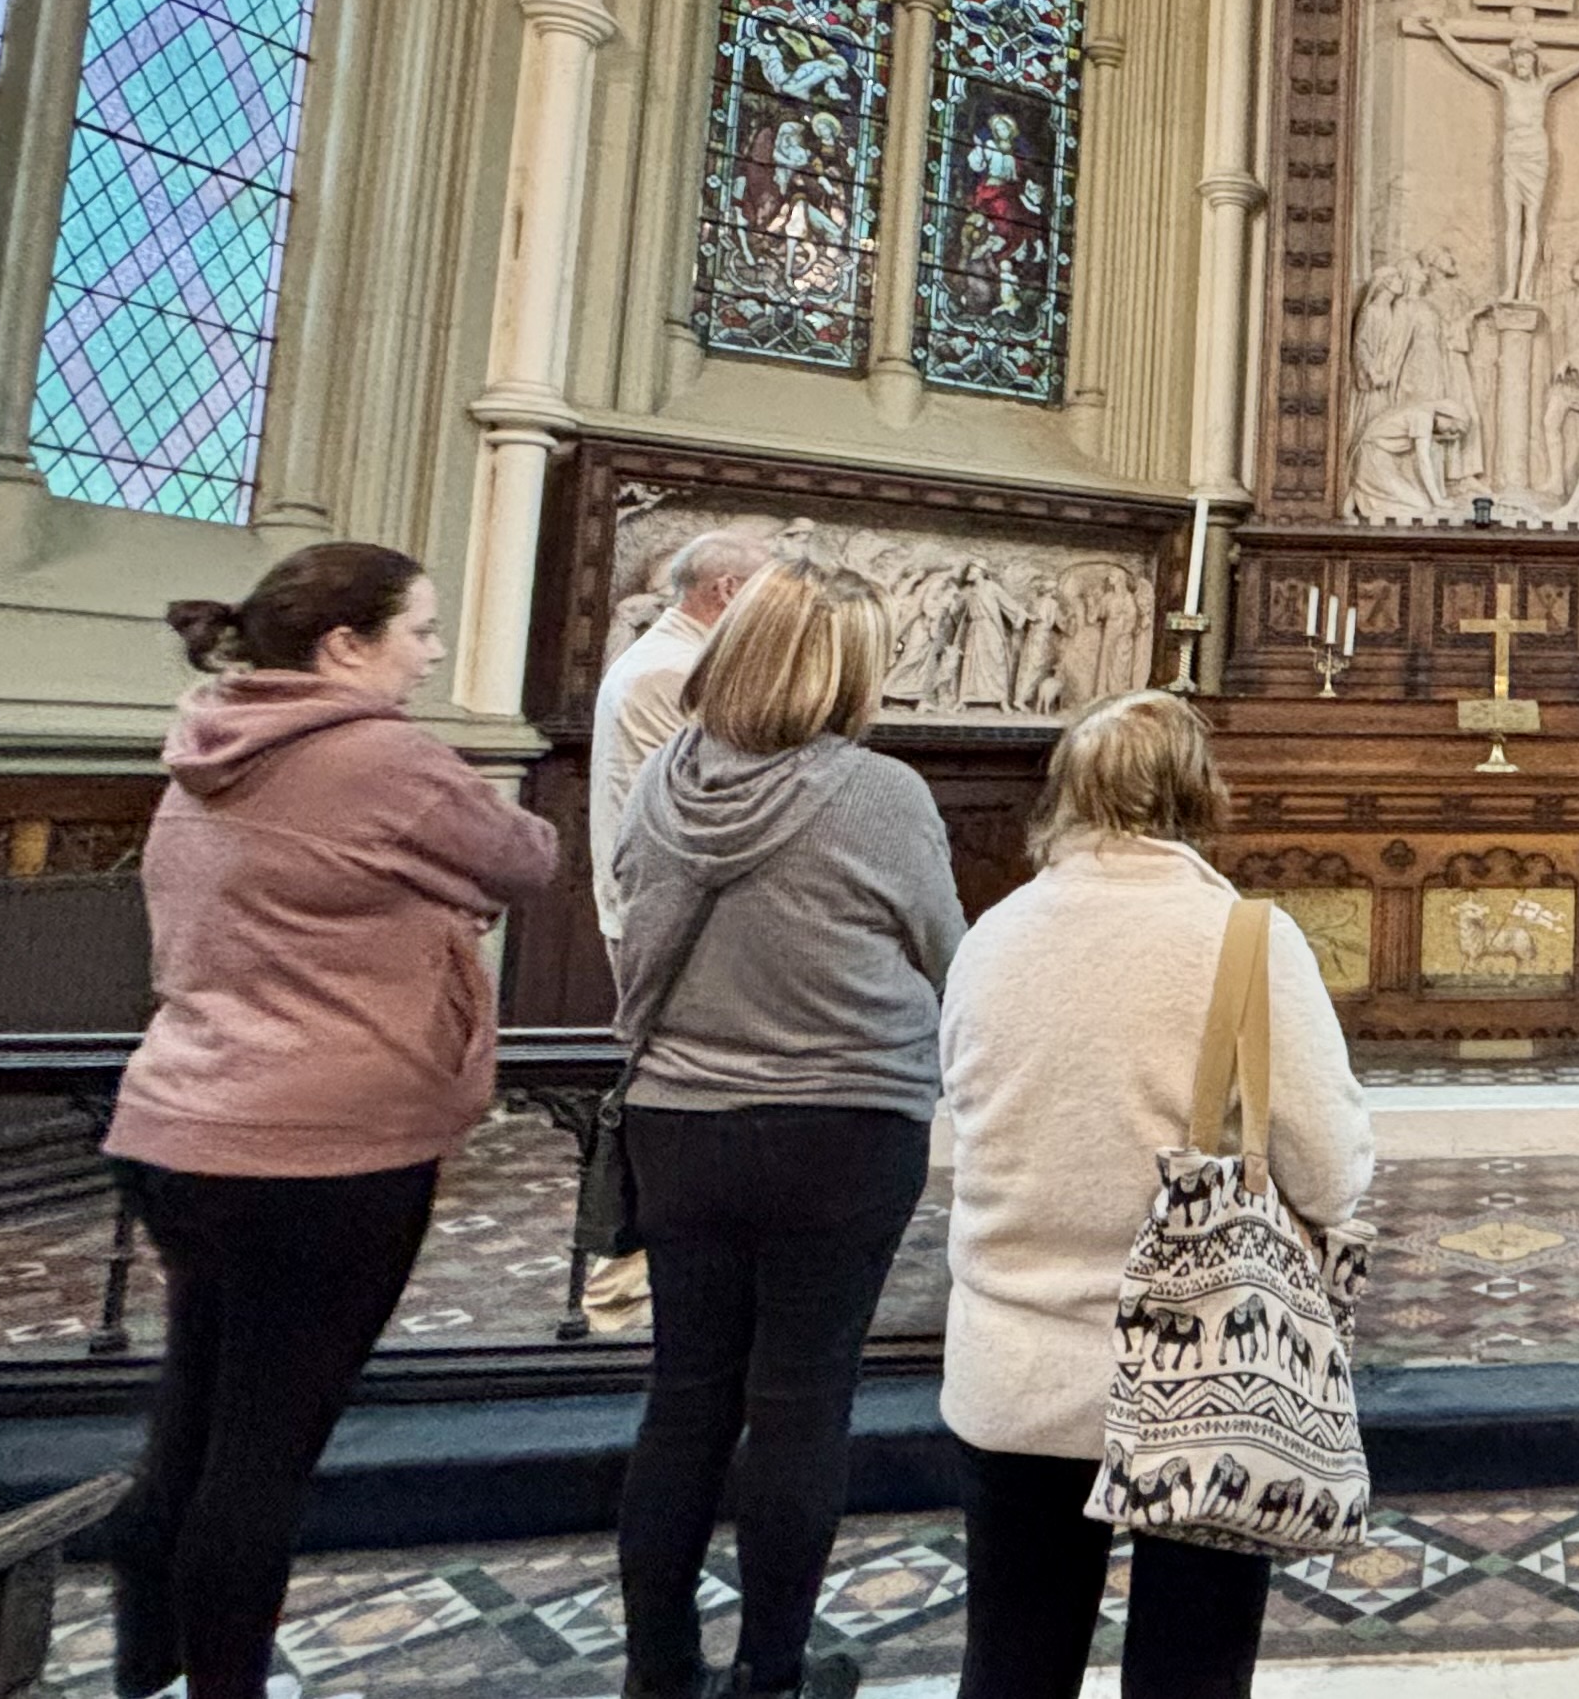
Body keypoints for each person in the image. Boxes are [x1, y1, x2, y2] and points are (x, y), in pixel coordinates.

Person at [107, 544, 561, 1699]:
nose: (435, 652)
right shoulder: (381, 755)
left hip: (178, 1122)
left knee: (189, 1428)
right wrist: (438, 890)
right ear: (345, 645)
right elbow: (527, 857)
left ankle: (147, 1672)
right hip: (322, 1151)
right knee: (263, 1456)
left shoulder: (208, 736)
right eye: (420, 629)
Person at [940, 692, 1374, 1698]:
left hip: (1013, 1362)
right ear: (1198, 797)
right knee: (1192, 1672)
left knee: (1010, 1661)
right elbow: (1329, 1168)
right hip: (1206, 1371)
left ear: (1062, 796)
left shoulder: (992, 936)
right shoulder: (1247, 940)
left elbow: (965, 1109)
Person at [606, 562, 967, 1699]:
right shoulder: (879, 793)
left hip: (681, 1122)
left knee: (685, 1398)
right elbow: (947, 952)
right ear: (848, 670)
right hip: (844, 1126)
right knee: (804, 1400)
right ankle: (772, 1673)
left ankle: (659, 1669)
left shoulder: (664, 775)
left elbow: (631, 916)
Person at [583, 532, 771, 1328]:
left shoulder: (674, 658)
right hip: (668, 916)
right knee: (668, 1099)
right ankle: (623, 1286)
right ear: (726, 590)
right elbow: (704, 802)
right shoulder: (670, 670)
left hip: (667, 910)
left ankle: (660, 1273)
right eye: (765, 588)